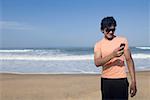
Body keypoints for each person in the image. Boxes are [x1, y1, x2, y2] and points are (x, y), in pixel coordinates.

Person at [94, 16, 137, 100]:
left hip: (121, 80)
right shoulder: (98, 44)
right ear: (102, 30)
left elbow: (129, 60)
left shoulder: (122, 40)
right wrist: (112, 55)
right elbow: (97, 62)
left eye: (113, 30)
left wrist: (133, 81)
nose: (111, 32)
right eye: (108, 30)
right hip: (106, 81)